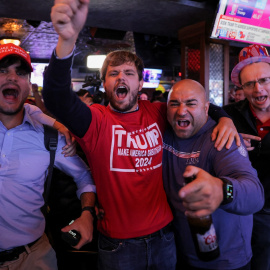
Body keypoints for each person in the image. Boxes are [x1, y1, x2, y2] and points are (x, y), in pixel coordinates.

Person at [43, 1, 240, 269]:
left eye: (128, 73)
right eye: (113, 74)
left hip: (165, 236)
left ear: (140, 82)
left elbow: (192, 103)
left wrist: (224, 117)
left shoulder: (158, 111)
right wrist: (67, 40)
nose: (121, 78)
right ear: (105, 84)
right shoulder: (95, 120)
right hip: (118, 245)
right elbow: (56, 97)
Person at [0, 43, 96, 269]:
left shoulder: (50, 138)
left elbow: (84, 177)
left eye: (20, 72)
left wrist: (87, 213)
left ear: (28, 84)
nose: (12, 77)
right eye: (3, 70)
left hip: (33, 258)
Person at [163, 79, 264, 270]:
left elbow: (255, 194)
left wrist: (221, 190)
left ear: (206, 107)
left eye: (191, 103)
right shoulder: (164, 130)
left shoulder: (222, 138)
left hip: (226, 260)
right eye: (174, 103)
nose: (181, 111)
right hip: (179, 253)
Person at [223, 44, 270, 270]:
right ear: (241, 86)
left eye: (264, 80)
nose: (258, 89)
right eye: (250, 83)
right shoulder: (229, 115)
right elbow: (206, 109)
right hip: (240, 209)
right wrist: (229, 133)